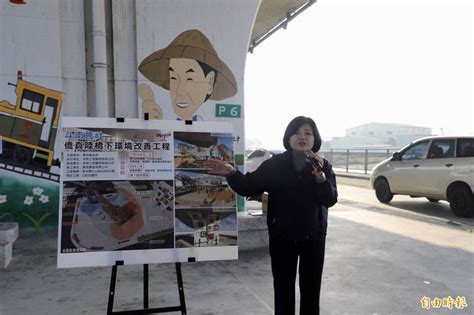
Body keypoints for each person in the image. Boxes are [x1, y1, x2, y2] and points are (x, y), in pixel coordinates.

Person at [204, 116, 338, 315]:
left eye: (308, 133)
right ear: (289, 138)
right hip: (282, 236)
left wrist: (320, 177)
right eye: (297, 132)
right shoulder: (275, 164)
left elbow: (330, 199)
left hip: (314, 237)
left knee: (311, 290)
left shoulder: (322, 165)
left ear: (314, 139)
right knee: (283, 289)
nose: (302, 137)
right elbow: (249, 185)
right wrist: (231, 173)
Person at [138, 29, 238, 121]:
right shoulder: (161, 115)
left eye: (189, 79)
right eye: (173, 78)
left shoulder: (204, 125)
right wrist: (151, 124)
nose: (180, 91)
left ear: (209, 82)